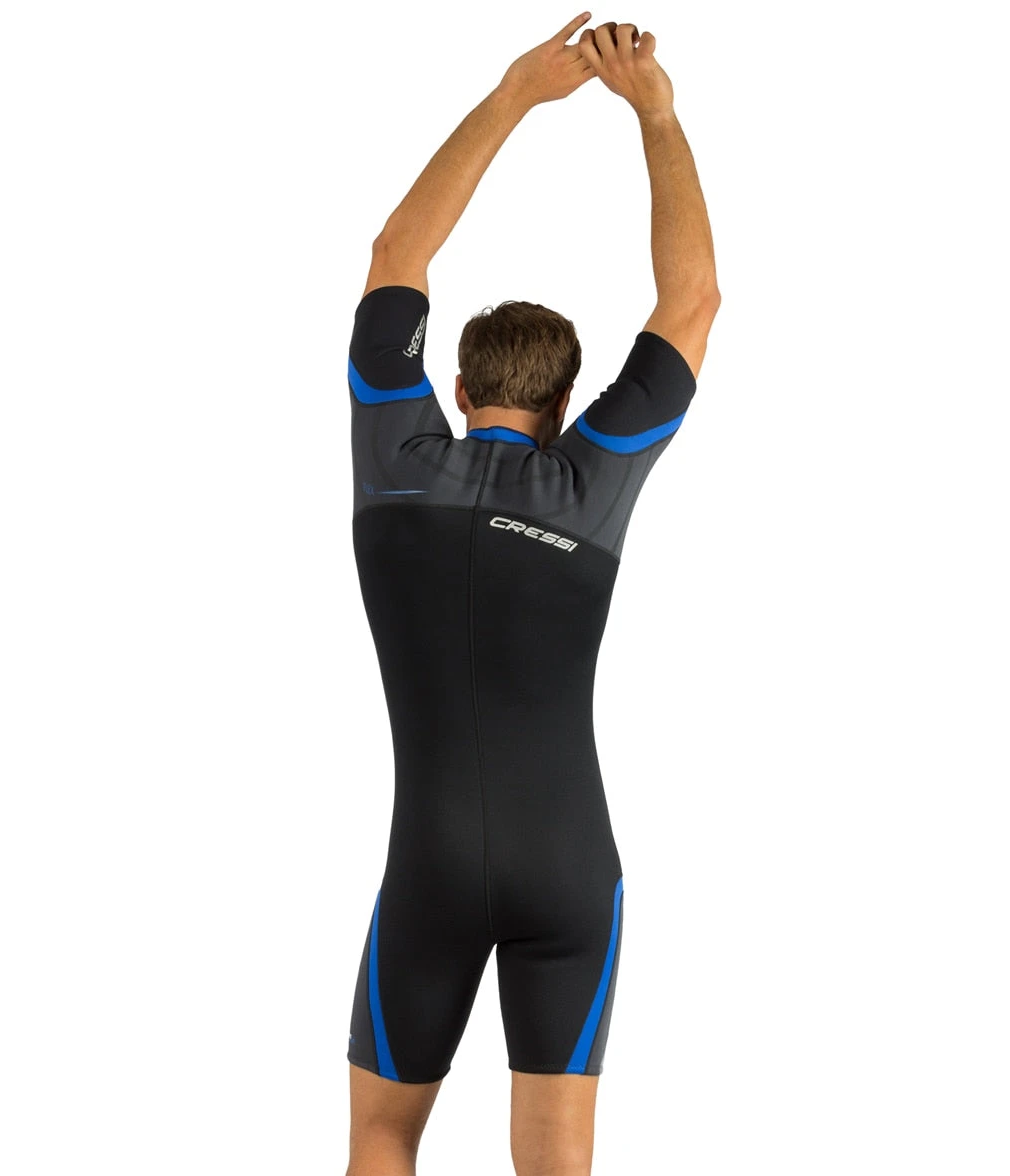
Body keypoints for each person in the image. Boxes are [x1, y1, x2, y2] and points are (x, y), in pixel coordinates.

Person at [344, 14, 720, 1175]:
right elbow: (692, 302)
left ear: (456, 389)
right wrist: (654, 112)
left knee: (381, 1140)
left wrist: (517, 93)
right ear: (565, 406)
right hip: (569, 864)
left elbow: (397, 254)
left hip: (429, 862)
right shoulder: (587, 479)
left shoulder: (395, 458)